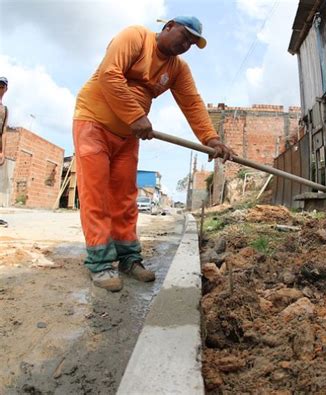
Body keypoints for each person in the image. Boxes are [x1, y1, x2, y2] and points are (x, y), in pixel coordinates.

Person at [73, 16, 235, 292]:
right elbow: (109, 74)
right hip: (93, 124)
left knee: (125, 198)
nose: (186, 45)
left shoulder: (177, 69)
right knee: (96, 195)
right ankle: (100, 264)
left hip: (128, 135)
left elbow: (193, 104)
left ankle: (128, 259)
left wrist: (212, 138)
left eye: (191, 43)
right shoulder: (136, 37)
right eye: (184, 36)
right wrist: (136, 115)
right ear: (168, 26)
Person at [0, 77, 9, 228]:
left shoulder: (5, 110)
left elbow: (4, 132)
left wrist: (2, 151)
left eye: (2, 86)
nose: (0, 88)